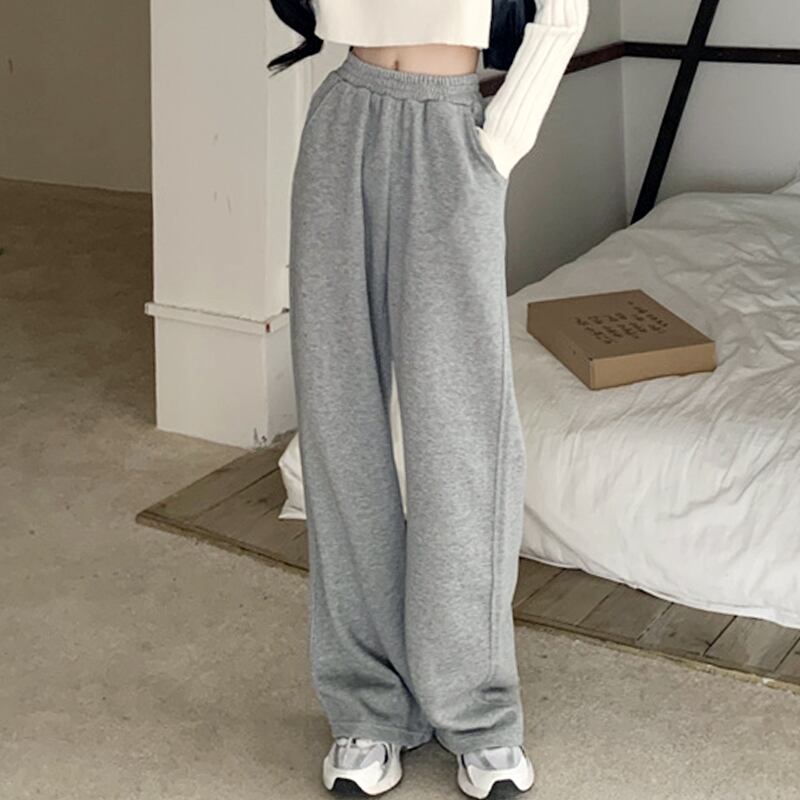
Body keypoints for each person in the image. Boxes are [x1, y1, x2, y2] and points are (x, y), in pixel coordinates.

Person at [268, 1, 589, 796]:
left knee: (462, 429)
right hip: (344, 113)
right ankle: (368, 706)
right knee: (339, 419)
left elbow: (563, 10)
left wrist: (499, 143)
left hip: (454, 131)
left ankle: (478, 710)